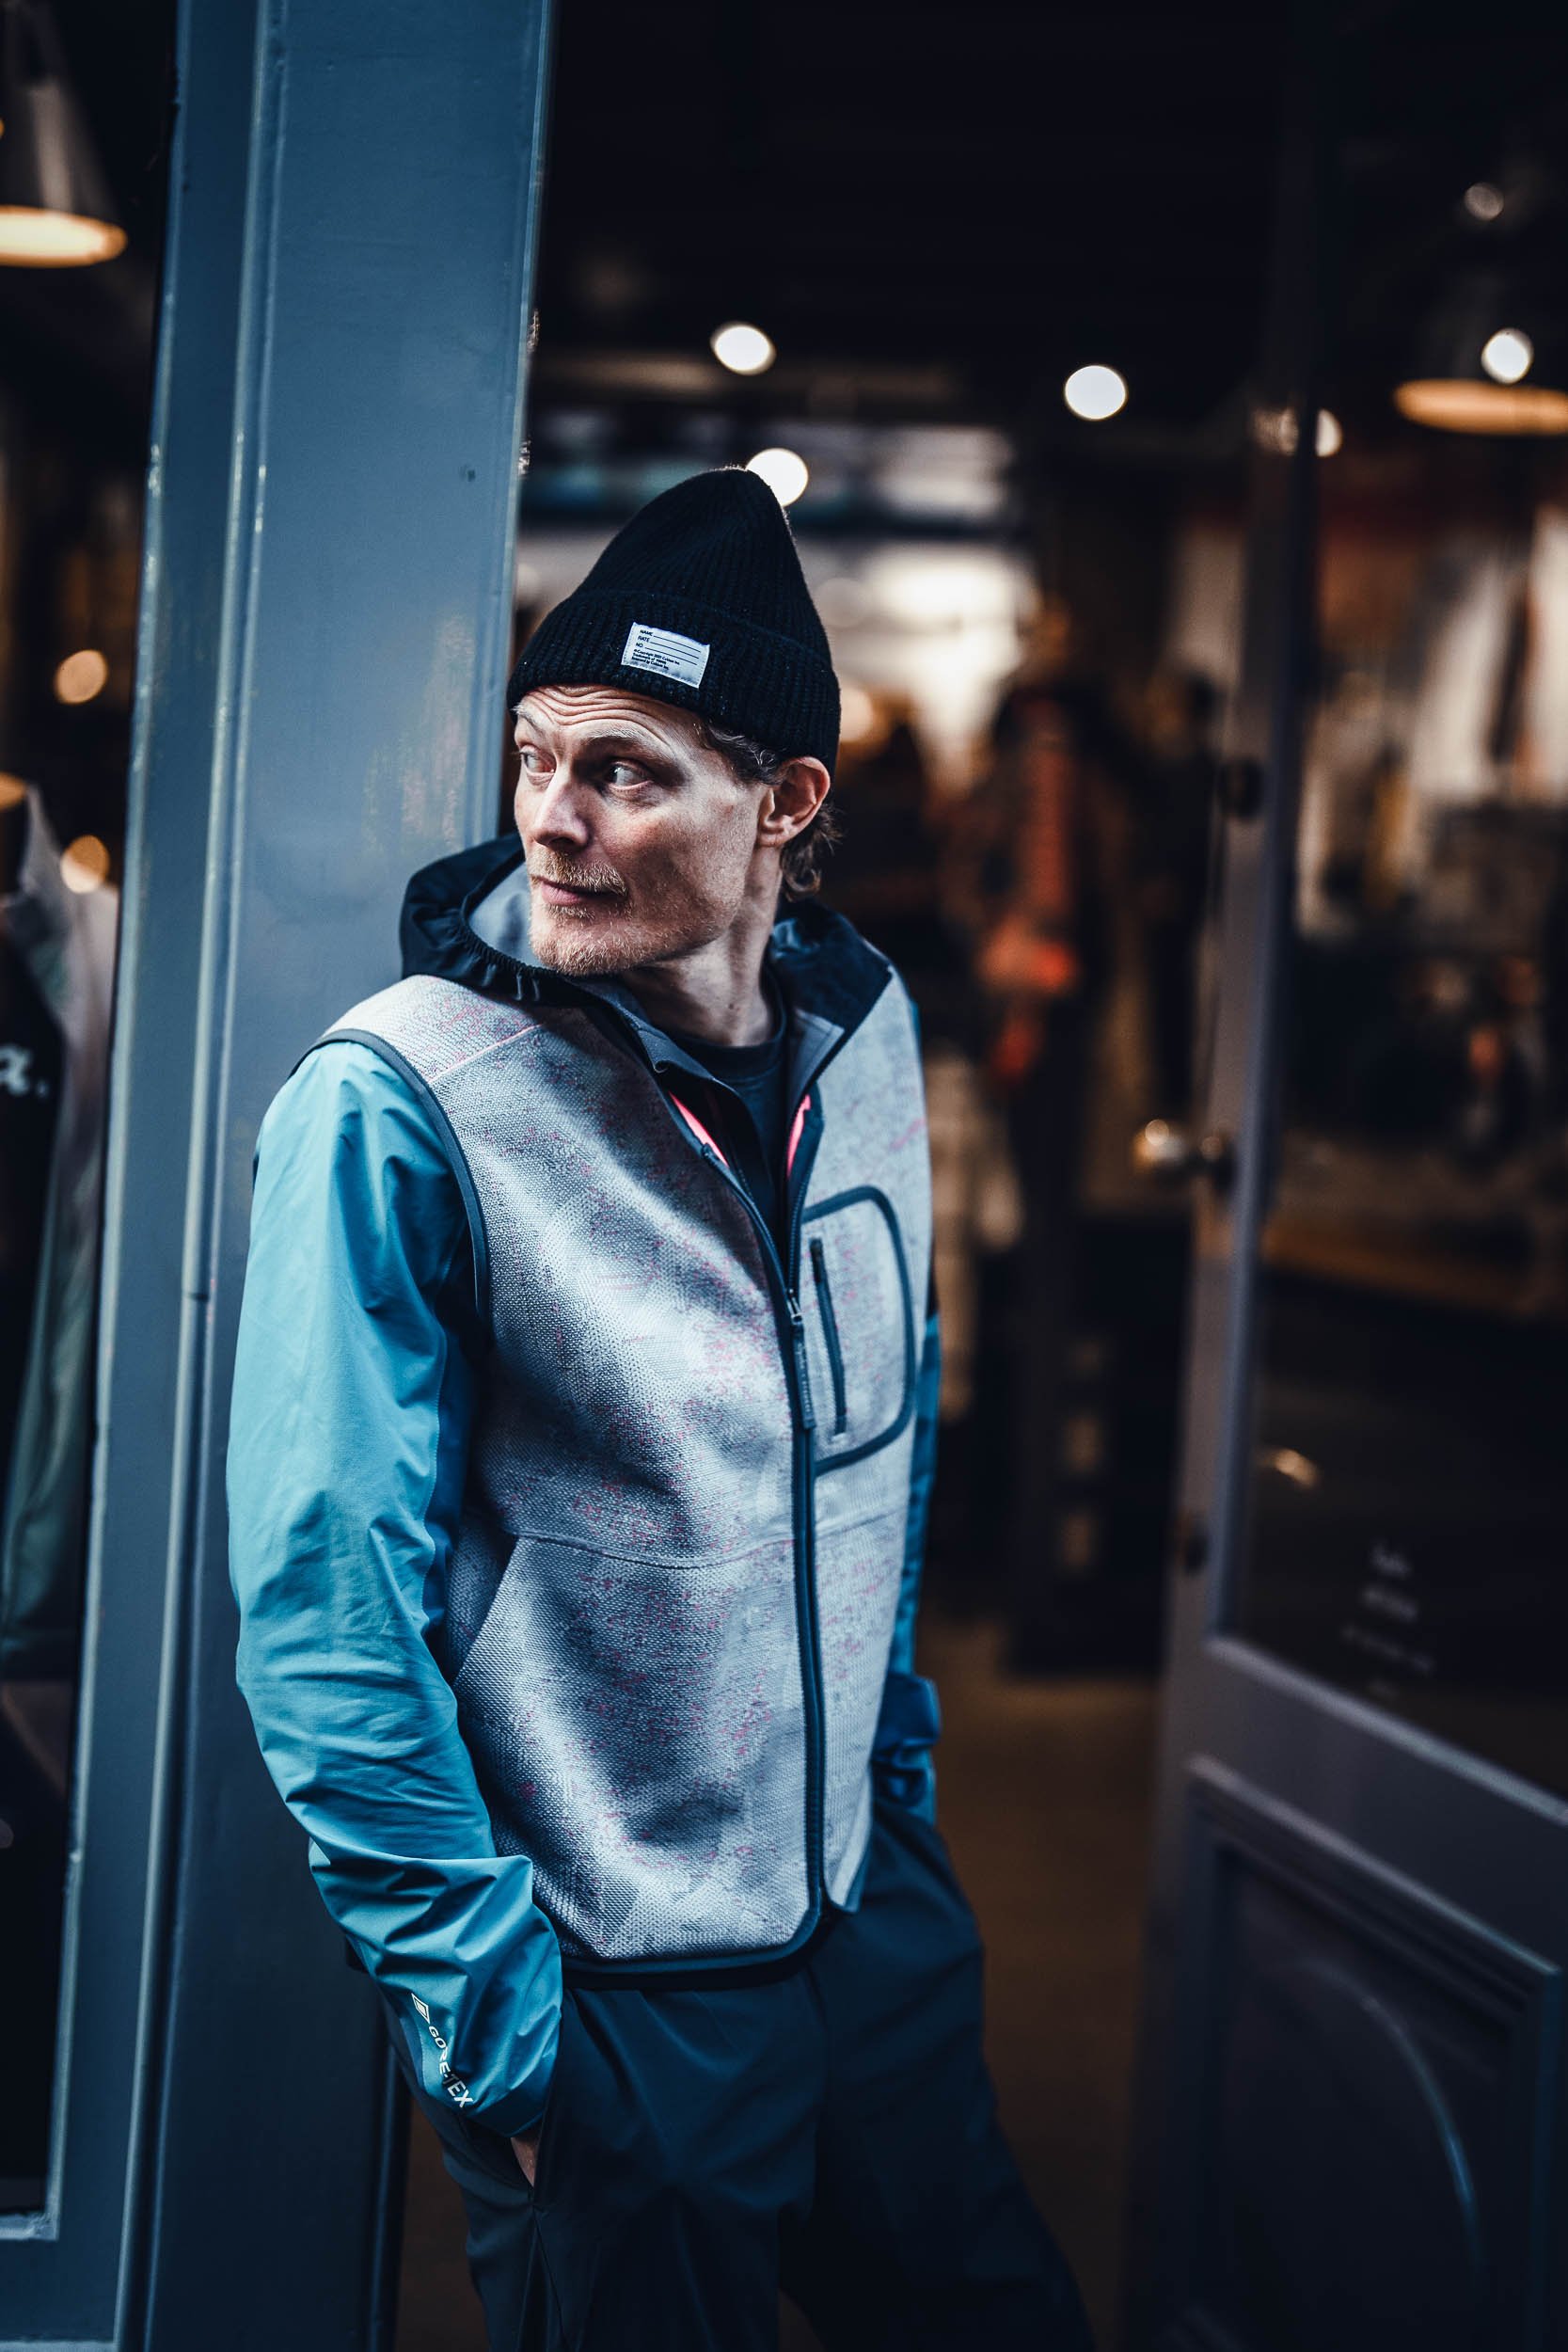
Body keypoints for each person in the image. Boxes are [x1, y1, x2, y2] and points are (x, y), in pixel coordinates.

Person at [227, 469, 1092, 2352]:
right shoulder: (399, 1099)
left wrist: (891, 1777)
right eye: (536, 752)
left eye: (626, 768)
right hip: (610, 1981)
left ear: (785, 802)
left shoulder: (867, 1036)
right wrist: (509, 2036)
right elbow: (326, 1610)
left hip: (860, 1913)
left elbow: (883, 1430)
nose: (550, 812)